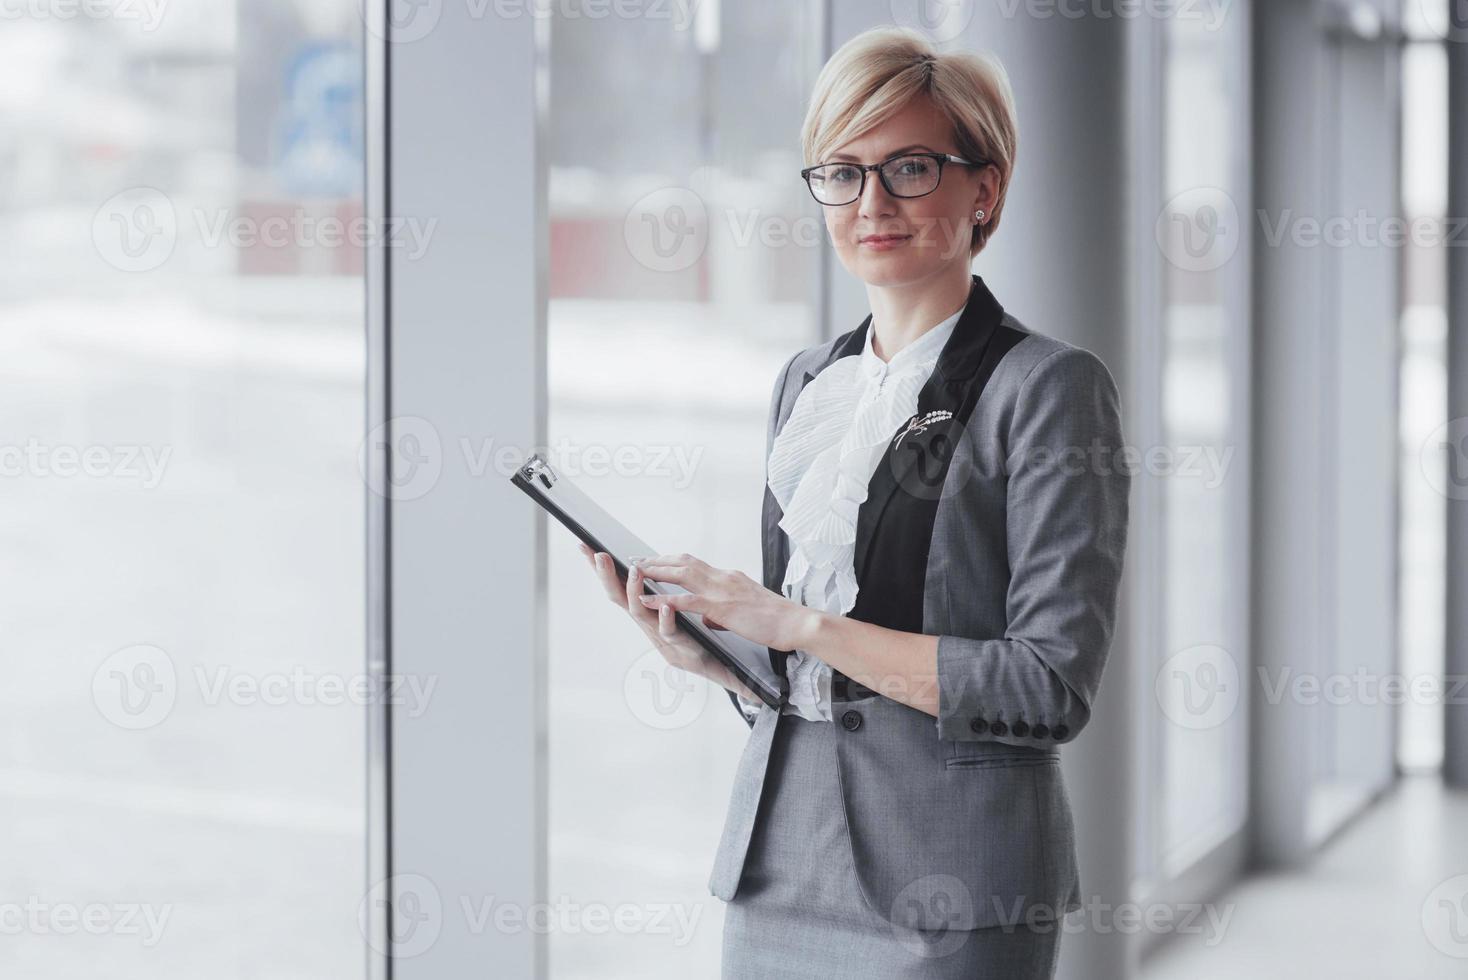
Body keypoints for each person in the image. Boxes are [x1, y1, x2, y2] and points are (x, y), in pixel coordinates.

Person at [580, 24, 1130, 979]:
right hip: (780, 862)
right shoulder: (810, 382)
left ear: (984, 188)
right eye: (841, 171)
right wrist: (716, 651)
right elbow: (812, 665)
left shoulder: (1047, 388)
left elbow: (1048, 686)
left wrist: (791, 622)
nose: (871, 201)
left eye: (910, 167)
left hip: (952, 882)